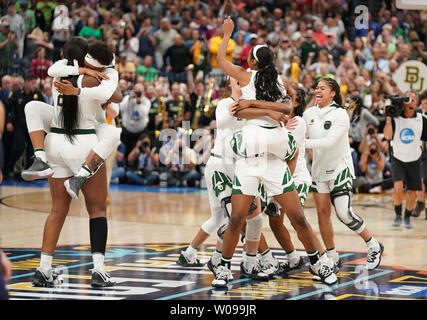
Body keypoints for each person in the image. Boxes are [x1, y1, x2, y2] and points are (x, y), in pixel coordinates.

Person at [211, 17, 337, 287]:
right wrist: (268, 109)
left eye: (249, 59)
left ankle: (318, 262)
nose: (246, 63)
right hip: (250, 161)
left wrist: (226, 35)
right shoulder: (252, 79)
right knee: (237, 218)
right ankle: (222, 267)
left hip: (273, 162)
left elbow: (287, 108)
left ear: (254, 62)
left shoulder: (272, 81)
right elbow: (240, 110)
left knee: (298, 217)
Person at [31, 37, 116, 288]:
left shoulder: (58, 76)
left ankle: (44, 269)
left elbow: (56, 66)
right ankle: (99, 270)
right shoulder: (92, 79)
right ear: (87, 57)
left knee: (57, 210)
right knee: (97, 210)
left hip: (54, 143)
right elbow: (114, 92)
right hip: (82, 144)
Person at [22, 40, 122, 201]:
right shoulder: (74, 69)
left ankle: (80, 175)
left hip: (88, 127)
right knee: (32, 107)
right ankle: (40, 159)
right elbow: (51, 69)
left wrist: (77, 90)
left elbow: (116, 97)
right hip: (76, 130)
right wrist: (82, 71)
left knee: (112, 134)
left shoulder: (105, 74)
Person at [303, 77, 384, 271]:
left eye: (323, 88)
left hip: (340, 168)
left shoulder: (340, 114)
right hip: (319, 170)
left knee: (343, 213)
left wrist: (302, 143)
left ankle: (372, 244)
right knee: (322, 215)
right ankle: (332, 256)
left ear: (333, 93)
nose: (317, 90)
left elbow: (329, 142)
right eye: (316, 87)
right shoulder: (308, 114)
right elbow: (301, 134)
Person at [384, 91, 427, 229]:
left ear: (417, 103)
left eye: (414, 100)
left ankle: (407, 216)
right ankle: (398, 214)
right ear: (403, 102)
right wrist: (389, 118)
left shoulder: (422, 119)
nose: (411, 102)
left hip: (415, 159)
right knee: (397, 186)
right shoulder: (396, 119)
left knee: (412, 192)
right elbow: (387, 136)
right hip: (398, 158)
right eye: (408, 99)